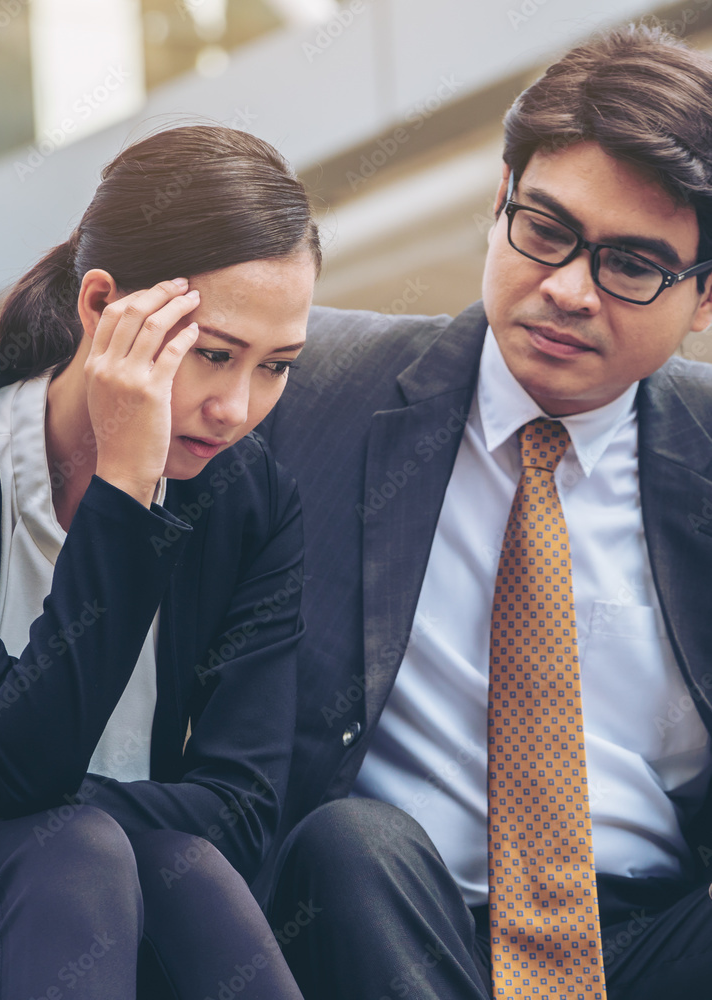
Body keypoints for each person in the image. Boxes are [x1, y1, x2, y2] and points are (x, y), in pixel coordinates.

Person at [259, 21, 712, 1000]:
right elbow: (136, 326)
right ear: (500, 201)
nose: (567, 290)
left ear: (705, 298)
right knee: (351, 844)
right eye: (545, 229)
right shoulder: (312, 383)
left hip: (642, 939)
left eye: (631, 266)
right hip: (392, 920)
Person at [0, 124, 319, 999]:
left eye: (275, 367)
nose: (236, 408)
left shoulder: (250, 503)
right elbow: (2, 773)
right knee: (79, 852)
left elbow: (240, 809)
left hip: (121, 898)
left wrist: (52, 812)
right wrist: (125, 484)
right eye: (212, 354)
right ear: (100, 307)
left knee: (182, 871)